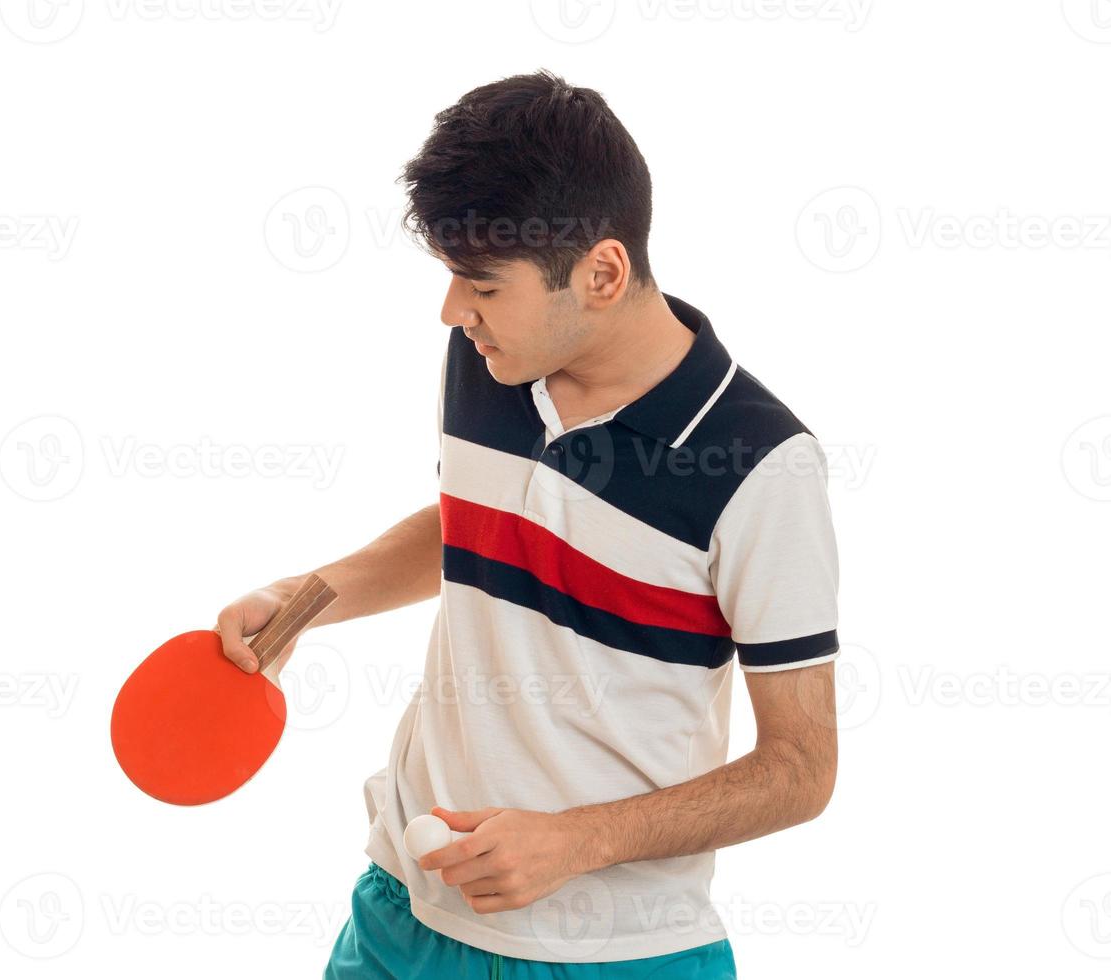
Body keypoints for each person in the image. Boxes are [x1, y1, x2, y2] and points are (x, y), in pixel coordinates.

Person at [216, 69, 840, 979]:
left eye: (481, 284)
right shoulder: (489, 359)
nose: (452, 311)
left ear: (602, 272)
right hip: (401, 909)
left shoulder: (762, 467)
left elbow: (800, 768)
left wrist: (573, 842)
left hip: (614, 954)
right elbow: (478, 523)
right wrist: (307, 599)